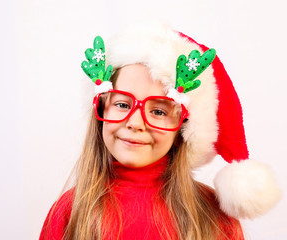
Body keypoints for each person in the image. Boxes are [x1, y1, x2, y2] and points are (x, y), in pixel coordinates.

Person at [39, 22, 281, 240]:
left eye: (159, 111)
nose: (135, 122)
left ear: (183, 128)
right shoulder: (70, 211)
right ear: (101, 108)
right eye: (122, 104)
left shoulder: (213, 217)